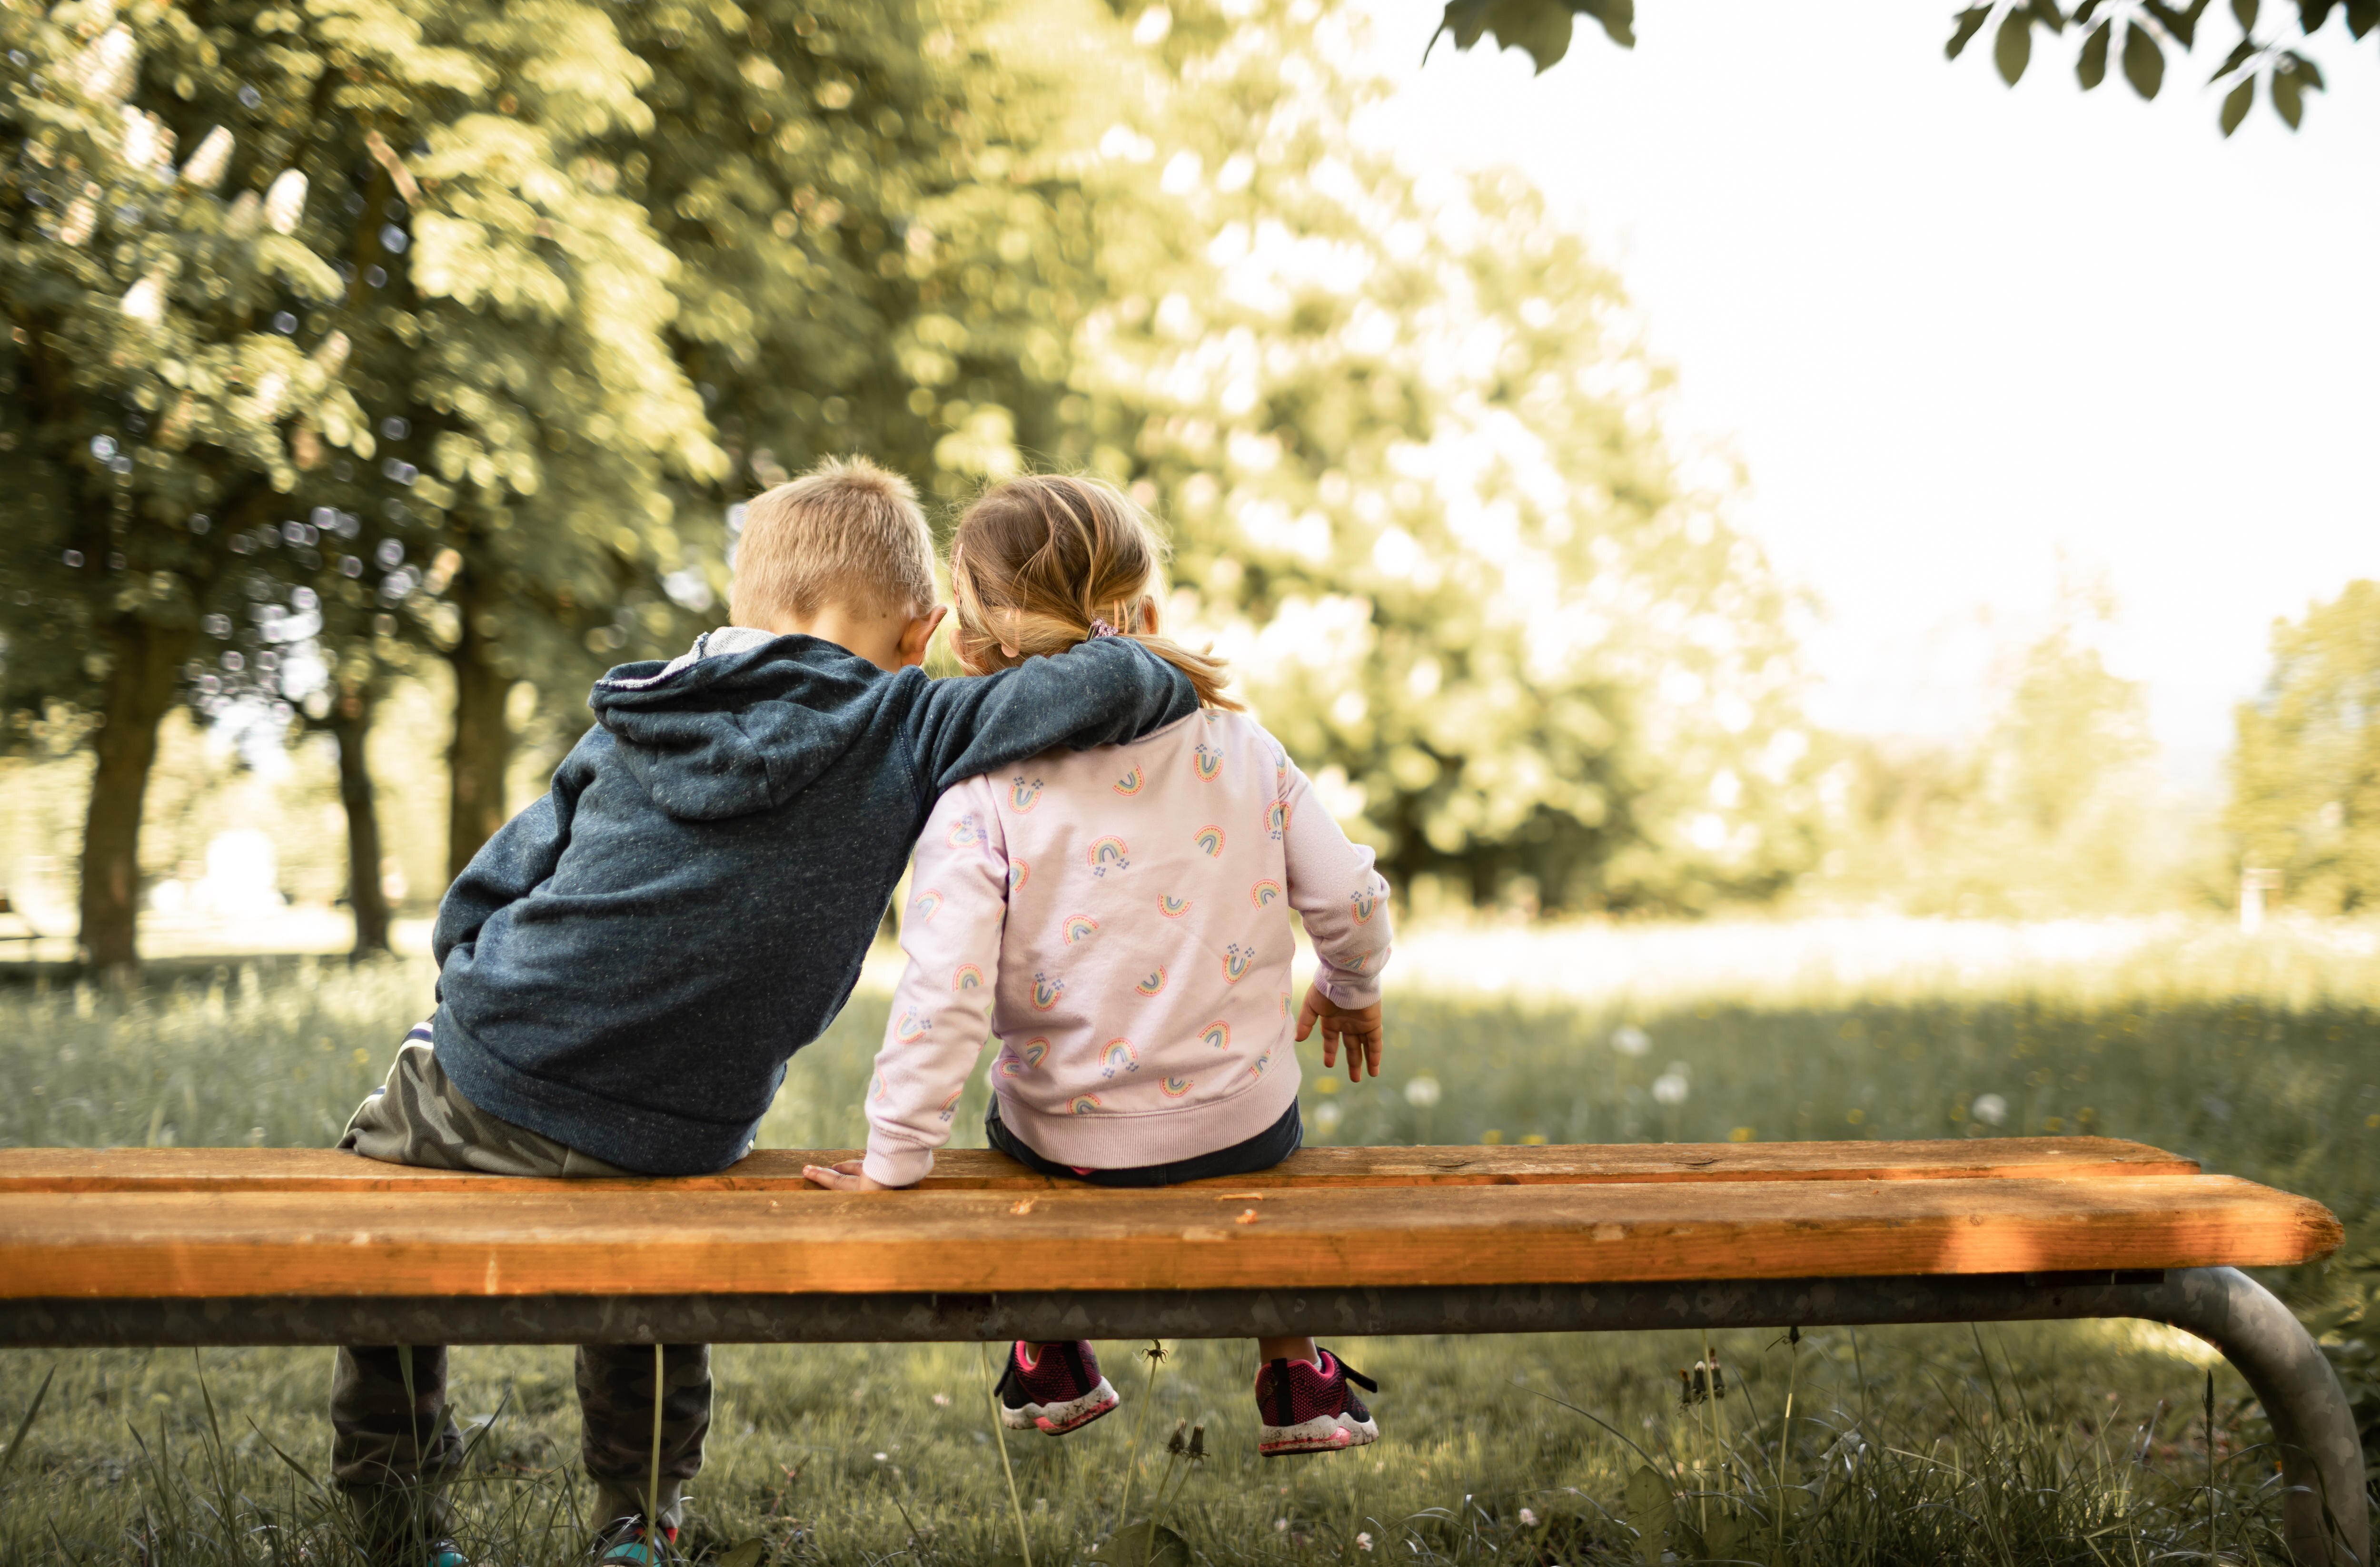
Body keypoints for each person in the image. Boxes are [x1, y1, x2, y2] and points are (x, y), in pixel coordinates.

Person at [328, 457, 1202, 1567]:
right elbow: (1128, 689)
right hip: (678, 1131)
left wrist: (484, 1010)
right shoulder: (909, 724)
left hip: (486, 1075)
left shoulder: (633, 719)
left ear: (740, 610)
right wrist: (1130, 628)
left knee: (377, 1244)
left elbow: (480, 899)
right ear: (921, 629)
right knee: (653, 1275)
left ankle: (398, 1521)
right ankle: (639, 1521)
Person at [803, 474, 1395, 1458]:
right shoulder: (1241, 748)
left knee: (1018, 1126)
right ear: (1145, 613)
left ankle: (1053, 1351)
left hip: (1066, 1137)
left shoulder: (979, 794)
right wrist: (1351, 985)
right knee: (1262, 1133)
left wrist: (897, 1158)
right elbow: (1351, 899)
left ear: (970, 642)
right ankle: (1295, 1369)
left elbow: (941, 994)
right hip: (1241, 1126)